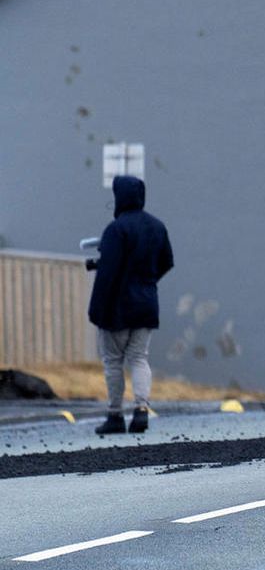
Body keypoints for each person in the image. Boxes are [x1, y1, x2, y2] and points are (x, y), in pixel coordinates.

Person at [87, 175, 174, 435]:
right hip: (146, 305)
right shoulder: (157, 227)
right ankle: (141, 410)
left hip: (117, 308)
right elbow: (167, 261)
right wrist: (148, 283)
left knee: (113, 361)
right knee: (139, 359)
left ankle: (115, 415)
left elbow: (108, 273)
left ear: (119, 197)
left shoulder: (116, 229)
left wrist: (97, 309)